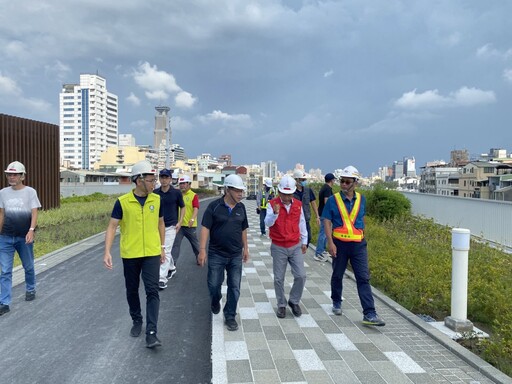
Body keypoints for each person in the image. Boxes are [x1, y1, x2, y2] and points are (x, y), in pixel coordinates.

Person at [103, 160, 166, 348]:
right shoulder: (122, 202)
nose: (154, 183)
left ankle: (152, 333)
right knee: (132, 290)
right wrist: (107, 251)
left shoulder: (157, 200)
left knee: (152, 290)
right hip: (130, 253)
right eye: (150, 179)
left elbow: (161, 223)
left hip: (152, 253)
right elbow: (112, 226)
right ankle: (137, 319)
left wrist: (162, 247)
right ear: (139, 180)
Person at [322, 166, 385, 326]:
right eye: (341, 181)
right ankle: (336, 301)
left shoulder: (362, 199)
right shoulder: (333, 200)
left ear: (355, 183)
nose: (343, 184)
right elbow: (327, 221)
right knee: (337, 275)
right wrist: (330, 243)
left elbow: (361, 219)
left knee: (363, 278)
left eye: (347, 181)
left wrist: (362, 234)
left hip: (358, 245)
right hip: (339, 244)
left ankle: (370, 313)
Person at [198, 174, 249, 332]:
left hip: (235, 255)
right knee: (214, 284)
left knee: (235, 287)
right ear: (227, 190)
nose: (240, 194)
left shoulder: (241, 208)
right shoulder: (214, 207)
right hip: (216, 254)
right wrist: (202, 250)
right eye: (237, 190)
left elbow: (243, 229)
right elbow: (205, 228)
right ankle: (215, 299)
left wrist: (245, 248)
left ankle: (230, 316)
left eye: (242, 190)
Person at [0, 161, 41, 316]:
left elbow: (35, 212)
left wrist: (31, 230)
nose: (11, 177)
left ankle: (30, 289)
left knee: (28, 266)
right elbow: (2, 214)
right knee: (5, 271)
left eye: (15, 174)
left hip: (24, 237)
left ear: (22, 176)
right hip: (5, 237)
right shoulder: (3, 193)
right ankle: (4, 302)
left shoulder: (30, 192)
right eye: (9, 174)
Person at [265, 175, 308, 319]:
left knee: (301, 275)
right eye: (284, 194)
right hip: (278, 245)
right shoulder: (272, 204)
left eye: (289, 194)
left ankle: (294, 301)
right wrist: (275, 214)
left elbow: (301, 222)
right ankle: (281, 305)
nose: (286, 197)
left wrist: (304, 240)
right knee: (278, 278)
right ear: (279, 192)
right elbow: (268, 223)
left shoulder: (298, 204)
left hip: (295, 244)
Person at [154, 168, 185, 289]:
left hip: (171, 226)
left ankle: (161, 278)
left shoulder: (176, 193)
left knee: (165, 250)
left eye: (166, 177)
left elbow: (183, 207)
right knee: (162, 250)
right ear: (159, 179)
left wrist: (180, 222)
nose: (164, 180)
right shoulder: (155, 193)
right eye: (162, 177)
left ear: (170, 179)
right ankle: (171, 267)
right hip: (157, 227)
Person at [170, 175, 200, 266]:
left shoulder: (193, 195)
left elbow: (196, 208)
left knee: (195, 244)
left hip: (190, 226)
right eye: (180, 184)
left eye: (184, 183)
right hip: (179, 225)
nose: (182, 185)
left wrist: (192, 219)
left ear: (189, 184)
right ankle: (172, 264)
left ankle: (199, 258)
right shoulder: (178, 195)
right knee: (175, 245)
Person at [292, 169, 319, 246]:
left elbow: (313, 202)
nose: (304, 181)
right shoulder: (291, 191)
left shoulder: (308, 190)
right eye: (302, 180)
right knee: (295, 238)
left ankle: (302, 250)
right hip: (295, 220)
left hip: (306, 218)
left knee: (308, 238)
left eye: (305, 179)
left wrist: (317, 216)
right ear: (297, 180)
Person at [314, 173, 336, 262]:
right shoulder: (327, 189)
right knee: (323, 233)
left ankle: (322, 250)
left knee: (326, 233)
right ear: (331, 180)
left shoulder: (325, 187)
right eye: (334, 179)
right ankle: (318, 252)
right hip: (325, 214)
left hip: (323, 213)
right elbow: (327, 201)